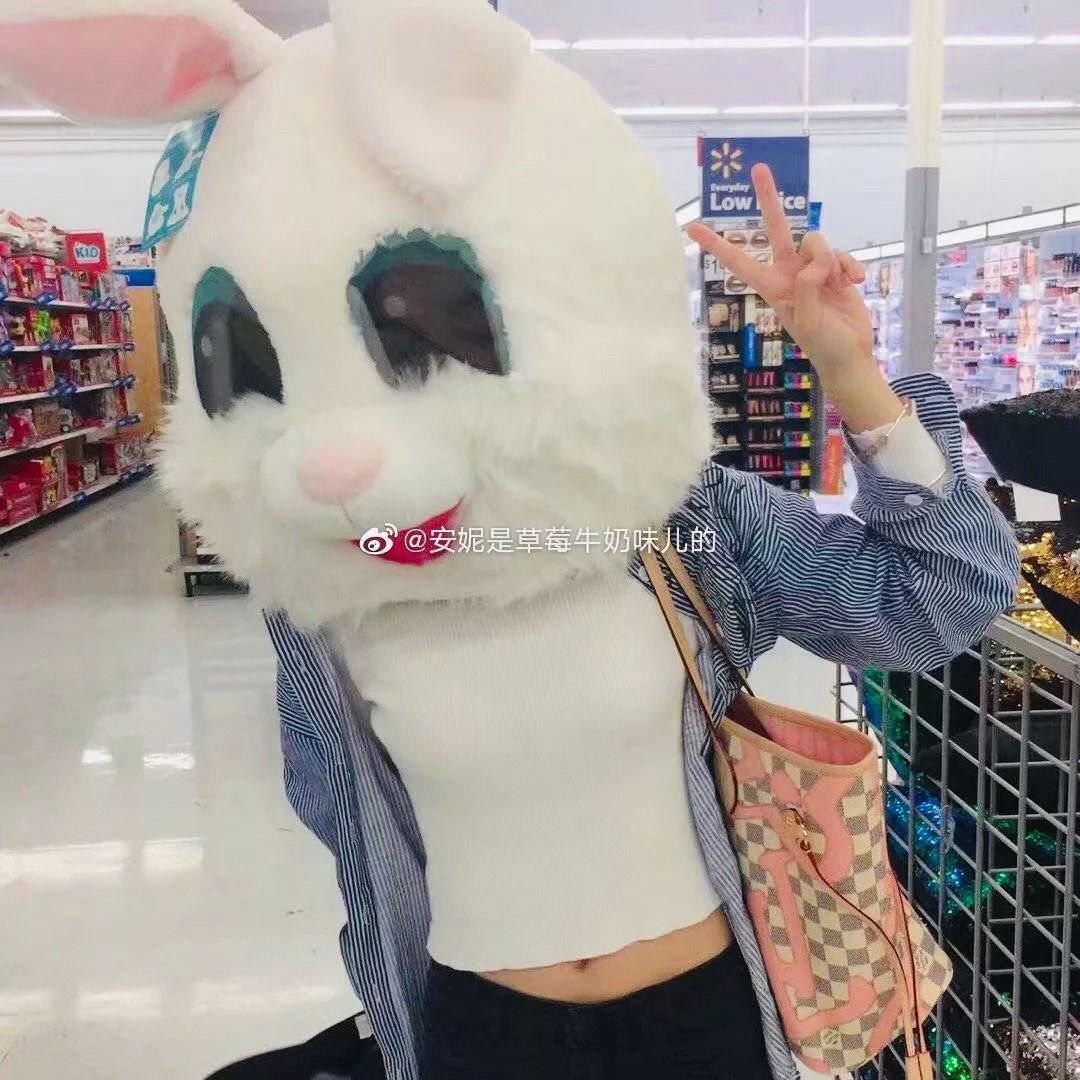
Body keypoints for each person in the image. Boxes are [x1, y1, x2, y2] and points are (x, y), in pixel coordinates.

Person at [0, 3, 1019, 1077]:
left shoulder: (672, 525)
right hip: (482, 1029)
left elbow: (939, 598)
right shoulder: (326, 591)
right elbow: (344, 814)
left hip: (702, 1018)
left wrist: (852, 375)